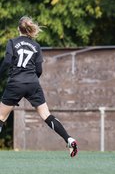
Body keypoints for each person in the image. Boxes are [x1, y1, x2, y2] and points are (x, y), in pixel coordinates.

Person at [0, 16, 78, 157]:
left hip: (15, 83)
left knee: (1, 117)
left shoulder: (12, 42)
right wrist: (31, 82)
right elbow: (39, 70)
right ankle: (69, 139)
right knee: (46, 115)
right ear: (29, 29)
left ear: (18, 29)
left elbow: (6, 62)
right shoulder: (36, 46)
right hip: (33, 83)